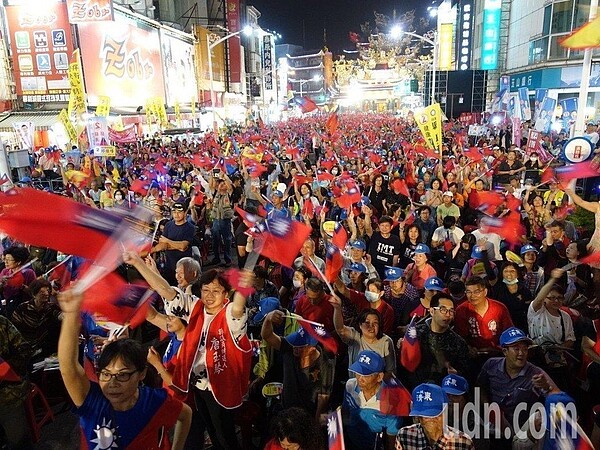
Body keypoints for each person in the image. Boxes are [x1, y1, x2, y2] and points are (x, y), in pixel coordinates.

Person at [56, 289, 192, 450]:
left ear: (141, 374)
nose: (112, 383)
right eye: (106, 374)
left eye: (122, 375)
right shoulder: (92, 401)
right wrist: (71, 314)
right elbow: (68, 367)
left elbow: (186, 414)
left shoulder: (154, 401)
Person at [169, 268, 254, 450]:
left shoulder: (229, 313)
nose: (209, 295)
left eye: (216, 290)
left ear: (226, 293)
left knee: (225, 435)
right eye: (205, 290)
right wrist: (138, 263)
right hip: (199, 385)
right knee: (212, 430)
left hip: (221, 387)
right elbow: (168, 294)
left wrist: (242, 289)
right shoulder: (196, 307)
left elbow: (238, 309)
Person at [476, 327, 558, 449]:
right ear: (505, 351)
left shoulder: (535, 373)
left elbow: (557, 396)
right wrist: (487, 406)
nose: (521, 353)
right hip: (495, 423)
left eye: (525, 349)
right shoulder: (491, 365)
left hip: (523, 430)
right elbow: (479, 387)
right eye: (516, 349)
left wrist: (546, 386)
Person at [342, 350, 405, 450]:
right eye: (358, 373)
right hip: (349, 442)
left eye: (366, 375)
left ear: (379, 377)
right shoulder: (350, 385)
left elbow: (391, 436)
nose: (359, 379)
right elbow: (345, 412)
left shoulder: (392, 401)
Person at [408, 292, 471, 387]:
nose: (448, 314)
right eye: (443, 310)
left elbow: (466, 372)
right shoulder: (415, 334)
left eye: (451, 311)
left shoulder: (458, 342)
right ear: (432, 311)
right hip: (416, 389)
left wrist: (456, 374)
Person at [331, 295, 396, 378]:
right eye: (367, 323)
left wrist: (374, 382)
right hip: (355, 385)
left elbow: (391, 372)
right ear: (360, 325)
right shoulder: (355, 337)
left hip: (376, 387)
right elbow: (340, 329)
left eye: (375, 323)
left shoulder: (386, 341)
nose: (371, 327)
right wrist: (337, 308)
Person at [395, 383, 474, 450]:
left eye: (434, 414)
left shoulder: (463, 442)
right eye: (424, 415)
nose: (430, 419)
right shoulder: (404, 435)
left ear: (445, 410)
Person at [454, 276, 514, 356]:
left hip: (499, 354)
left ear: (485, 292)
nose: (472, 296)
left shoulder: (499, 308)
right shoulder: (461, 310)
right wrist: (468, 348)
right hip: (474, 356)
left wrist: (498, 349)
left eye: (476, 292)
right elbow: (460, 338)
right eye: (469, 292)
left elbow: (509, 333)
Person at [0, 315, 33, 450]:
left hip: (7, 394)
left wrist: (5, 368)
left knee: (19, 442)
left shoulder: (2, 323)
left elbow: (24, 350)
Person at [10, 278, 62, 359]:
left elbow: (60, 316)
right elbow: (13, 329)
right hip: (24, 346)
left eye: (48, 291)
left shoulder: (51, 307)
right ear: (34, 294)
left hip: (45, 347)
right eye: (42, 292)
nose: (46, 294)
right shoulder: (23, 308)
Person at [151, 202, 197, 285]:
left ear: (185, 212)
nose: (176, 214)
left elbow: (183, 246)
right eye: (174, 212)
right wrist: (177, 246)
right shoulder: (168, 225)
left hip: (184, 266)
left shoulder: (190, 227)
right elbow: (163, 244)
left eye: (179, 212)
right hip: (169, 264)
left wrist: (168, 241)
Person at [208, 173, 235, 268]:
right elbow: (211, 185)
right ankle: (216, 258)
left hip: (225, 220)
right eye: (219, 184)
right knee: (215, 240)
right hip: (216, 219)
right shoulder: (216, 194)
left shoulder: (229, 194)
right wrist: (212, 175)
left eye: (222, 184)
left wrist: (224, 177)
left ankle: (228, 259)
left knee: (227, 240)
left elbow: (230, 186)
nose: (220, 185)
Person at [0, 247, 36, 318]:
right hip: (6, 306)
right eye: (5, 259)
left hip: (22, 308)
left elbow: (34, 293)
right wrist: (1, 284)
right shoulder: (5, 272)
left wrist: (21, 286)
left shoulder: (28, 273)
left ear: (18, 262)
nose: (5, 262)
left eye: (8, 260)